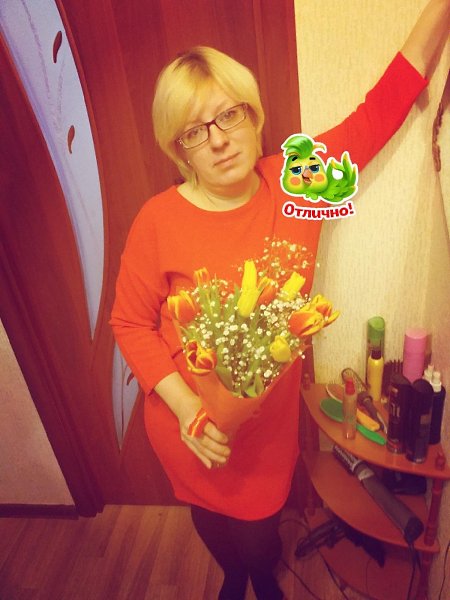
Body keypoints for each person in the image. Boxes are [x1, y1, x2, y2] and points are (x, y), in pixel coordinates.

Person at [110, 2, 449, 598]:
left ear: (253, 113)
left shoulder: (297, 182)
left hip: (265, 435)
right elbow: (130, 323)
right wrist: (187, 412)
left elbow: (382, 107)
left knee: (261, 533)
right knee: (211, 525)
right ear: (179, 149)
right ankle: (234, 576)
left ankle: (259, 574)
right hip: (186, 425)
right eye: (195, 130)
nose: (219, 140)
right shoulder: (156, 220)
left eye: (229, 115)